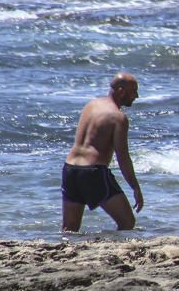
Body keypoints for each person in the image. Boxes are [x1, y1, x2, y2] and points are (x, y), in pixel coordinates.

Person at [61, 72, 144, 232]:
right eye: (133, 91)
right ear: (121, 91)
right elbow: (122, 156)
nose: (137, 96)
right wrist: (135, 187)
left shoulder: (91, 105)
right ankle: (115, 252)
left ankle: (63, 254)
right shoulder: (118, 118)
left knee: (69, 229)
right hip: (93, 173)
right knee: (127, 222)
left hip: (70, 169)